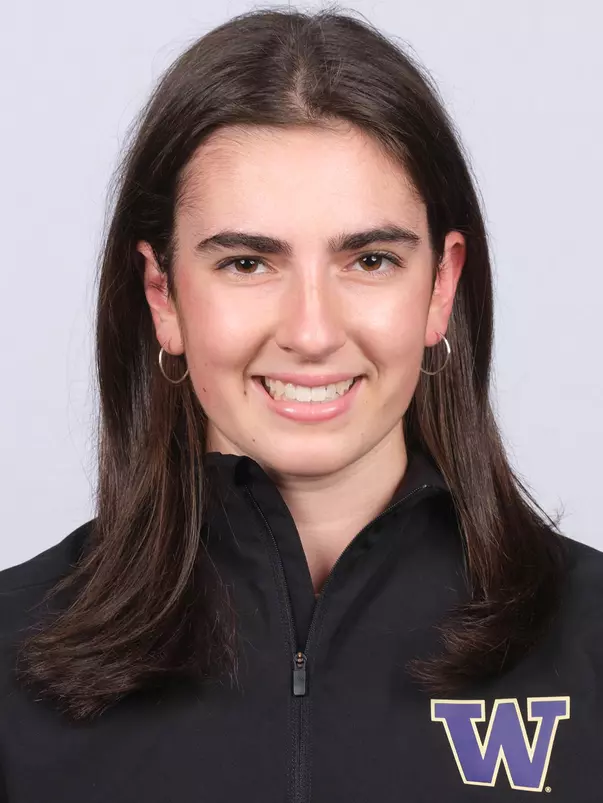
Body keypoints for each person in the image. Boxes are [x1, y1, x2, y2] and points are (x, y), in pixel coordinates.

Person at [0, 7, 601, 801]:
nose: (311, 332)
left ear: (440, 286)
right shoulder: (13, 654)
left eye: (371, 259)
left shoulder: (589, 639)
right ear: (163, 296)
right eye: (248, 263)